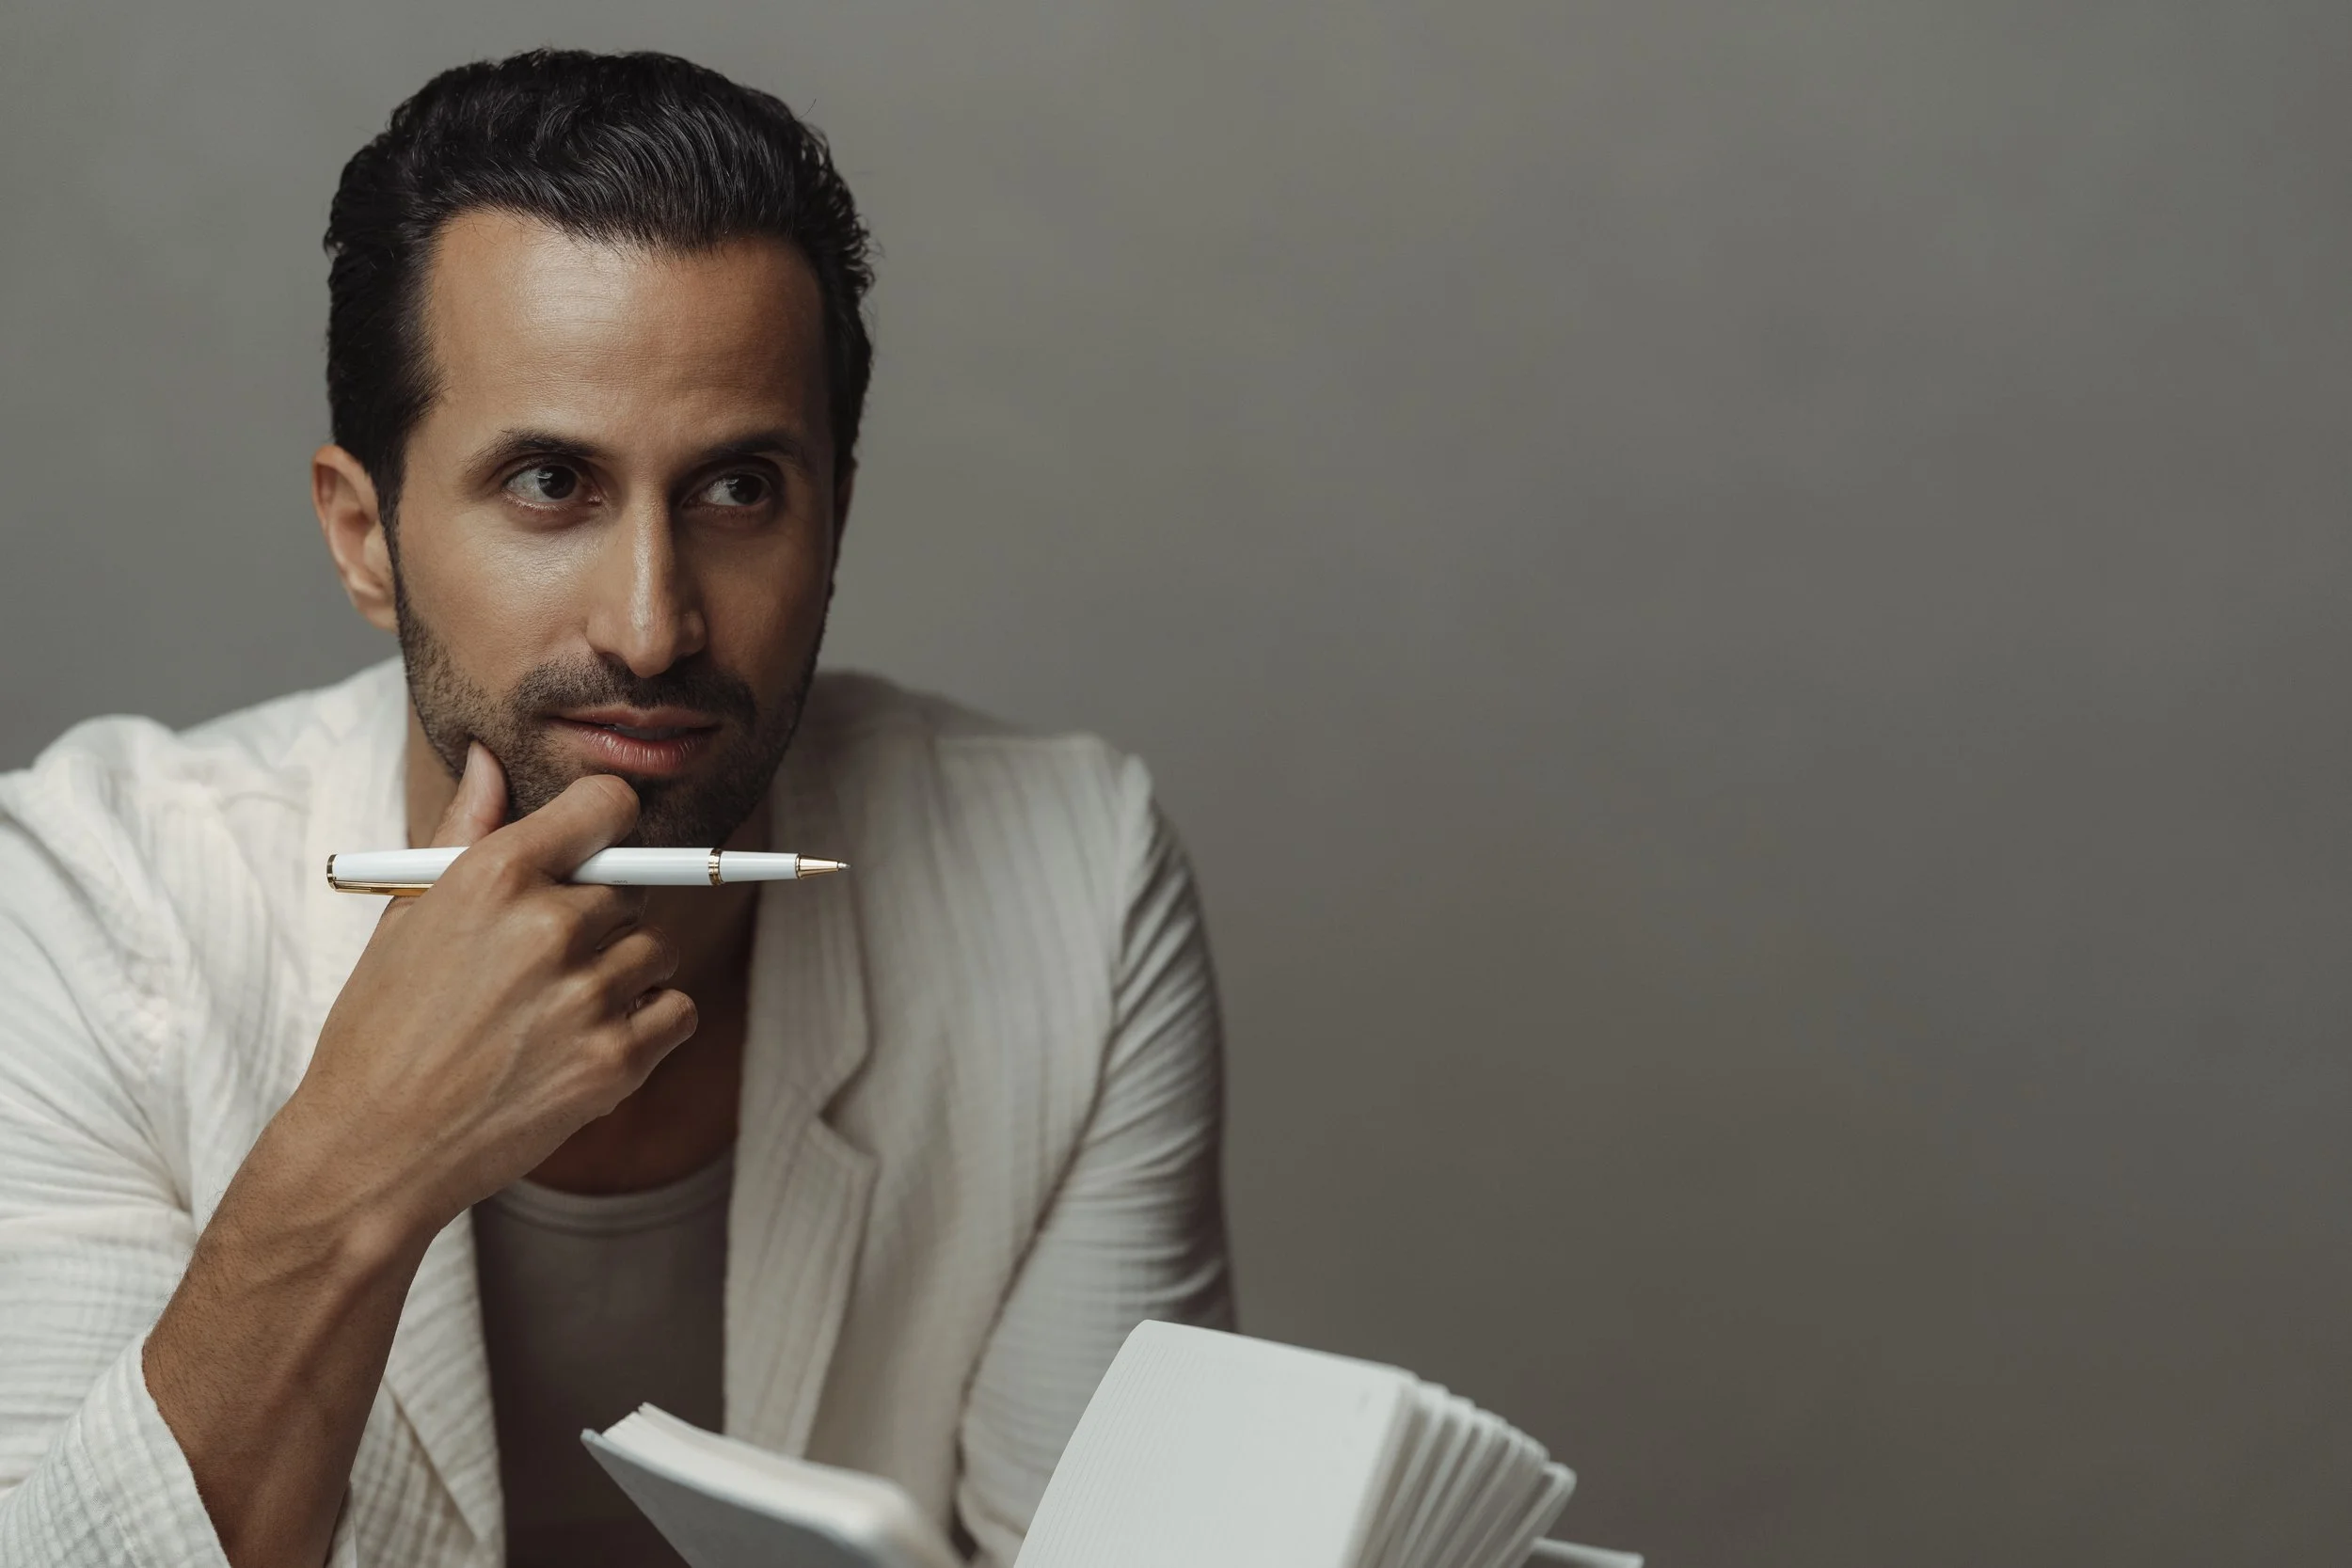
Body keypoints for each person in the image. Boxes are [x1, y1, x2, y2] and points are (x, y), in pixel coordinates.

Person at [0, 50, 1230, 1568]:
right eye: (547, 483)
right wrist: (359, 1157)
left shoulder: (1073, 890)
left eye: (737, 492)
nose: (652, 627)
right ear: (364, 534)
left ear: (834, 517)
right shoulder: (91, 904)